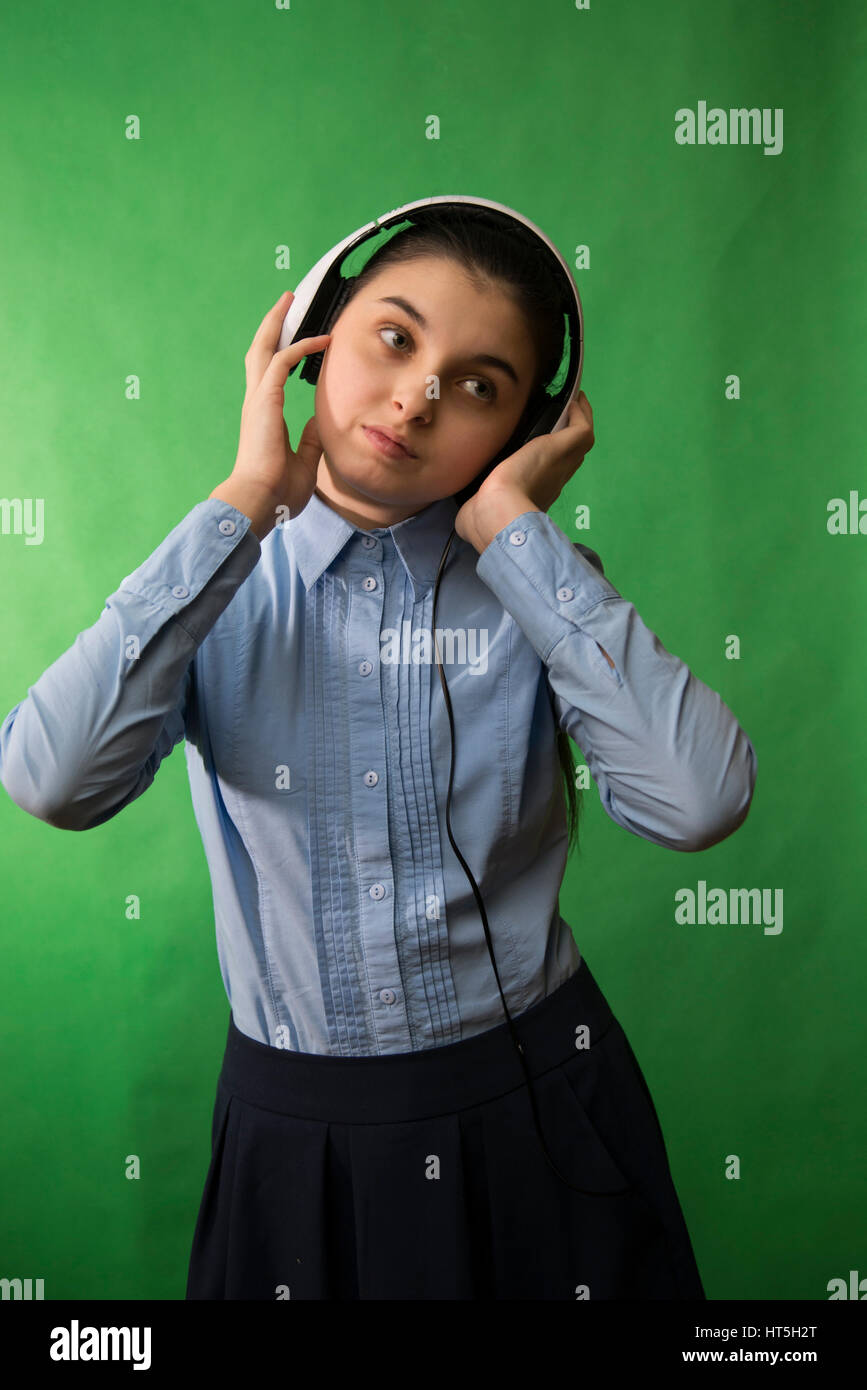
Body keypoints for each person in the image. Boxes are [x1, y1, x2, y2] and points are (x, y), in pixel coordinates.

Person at [0, 205, 757, 1300]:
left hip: (544, 1110)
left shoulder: (541, 589)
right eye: (395, 340)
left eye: (481, 386)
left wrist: (516, 533)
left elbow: (699, 802)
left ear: (516, 434)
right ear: (315, 334)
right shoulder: (216, 584)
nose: (417, 400)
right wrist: (247, 498)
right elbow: (50, 778)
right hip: (296, 1141)